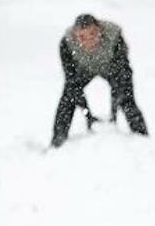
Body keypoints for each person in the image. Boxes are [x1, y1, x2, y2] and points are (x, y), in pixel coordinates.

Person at [51, 14, 149, 148]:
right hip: (83, 69)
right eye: (82, 37)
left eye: (92, 34)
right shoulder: (66, 44)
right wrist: (88, 115)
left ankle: (142, 138)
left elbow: (123, 73)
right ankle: (58, 140)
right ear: (75, 36)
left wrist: (113, 112)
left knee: (127, 98)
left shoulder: (115, 37)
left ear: (100, 30)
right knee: (68, 98)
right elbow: (72, 82)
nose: (89, 41)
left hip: (111, 67)